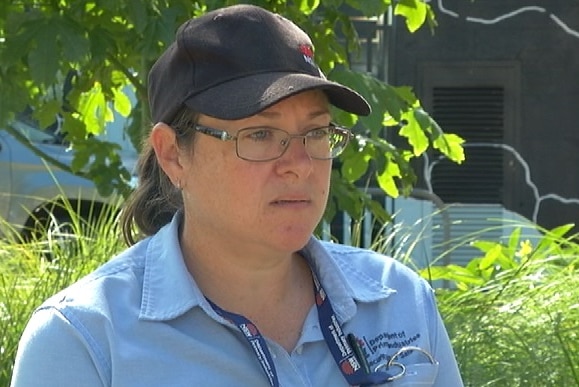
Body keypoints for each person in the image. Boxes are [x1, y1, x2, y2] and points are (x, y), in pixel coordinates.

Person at [11, 4, 463, 386]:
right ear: (173, 155)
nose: (300, 163)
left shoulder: (399, 301)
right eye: (261, 134)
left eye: (316, 132)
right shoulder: (85, 339)